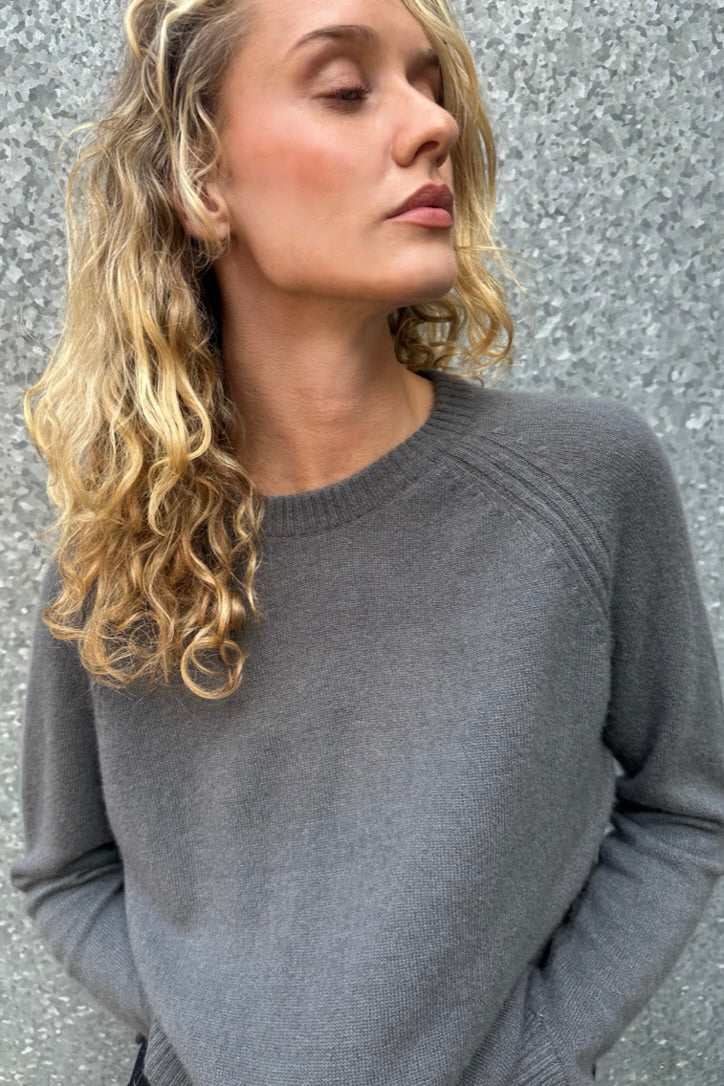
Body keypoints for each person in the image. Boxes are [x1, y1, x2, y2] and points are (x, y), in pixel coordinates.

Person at [10, 0, 724, 1084]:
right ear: (203, 182)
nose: (431, 125)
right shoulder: (123, 545)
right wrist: (214, 1038)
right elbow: (66, 870)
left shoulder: (583, 484)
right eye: (345, 89)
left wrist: (537, 1046)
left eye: (428, 84)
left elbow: (684, 802)